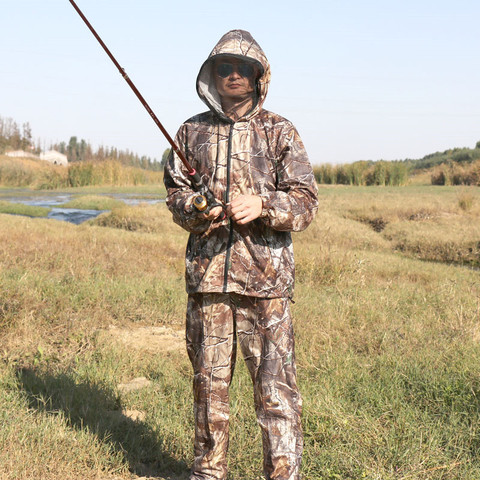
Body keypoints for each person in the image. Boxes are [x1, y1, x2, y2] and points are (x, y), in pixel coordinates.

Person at [164, 29, 318, 480]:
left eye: (242, 68)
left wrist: (263, 205)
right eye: (223, 67)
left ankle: (282, 474)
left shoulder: (279, 131)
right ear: (211, 74)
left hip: (266, 285)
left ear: (258, 76)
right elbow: (175, 195)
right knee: (208, 389)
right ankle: (208, 473)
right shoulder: (190, 132)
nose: (233, 75)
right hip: (208, 283)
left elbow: (306, 202)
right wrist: (195, 206)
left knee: (276, 391)